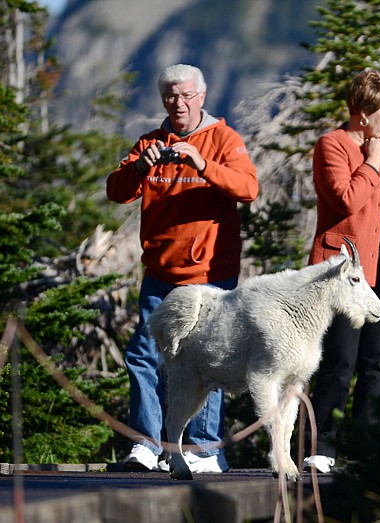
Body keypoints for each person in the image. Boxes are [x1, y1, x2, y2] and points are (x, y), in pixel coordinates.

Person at [106, 64, 258, 473]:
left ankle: (206, 451)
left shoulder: (224, 139)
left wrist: (203, 163)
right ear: (163, 100)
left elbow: (248, 188)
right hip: (160, 273)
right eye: (171, 96)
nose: (179, 103)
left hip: (211, 273)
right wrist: (139, 167)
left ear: (202, 97)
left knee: (207, 360)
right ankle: (147, 446)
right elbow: (115, 190)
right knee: (144, 355)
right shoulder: (150, 142)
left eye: (187, 95)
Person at [303, 70, 380, 473]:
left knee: (376, 363)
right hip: (345, 274)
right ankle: (322, 448)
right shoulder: (331, 145)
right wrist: (373, 164)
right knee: (340, 361)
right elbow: (345, 201)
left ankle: (365, 448)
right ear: (363, 113)